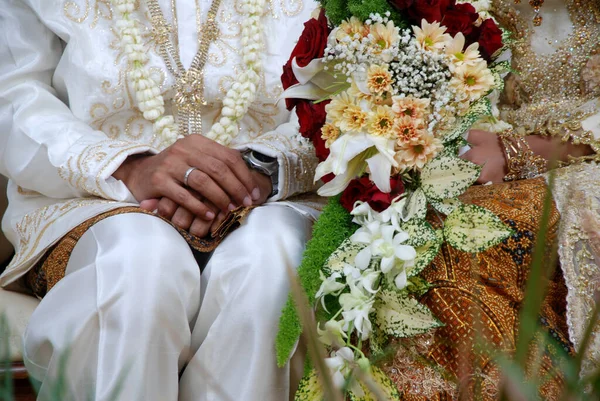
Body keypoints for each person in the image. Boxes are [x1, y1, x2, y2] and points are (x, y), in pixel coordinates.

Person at [0, 0, 323, 400]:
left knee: (274, 260)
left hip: (271, 193)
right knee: (140, 263)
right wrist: (126, 167)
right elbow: (11, 91)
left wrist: (261, 168)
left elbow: (352, 85)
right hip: (95, 195)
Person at [380, 0, 600, 399]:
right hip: (474, 165)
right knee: (404, 239)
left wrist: (518, 150)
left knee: (466, 239)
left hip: (584, 166)